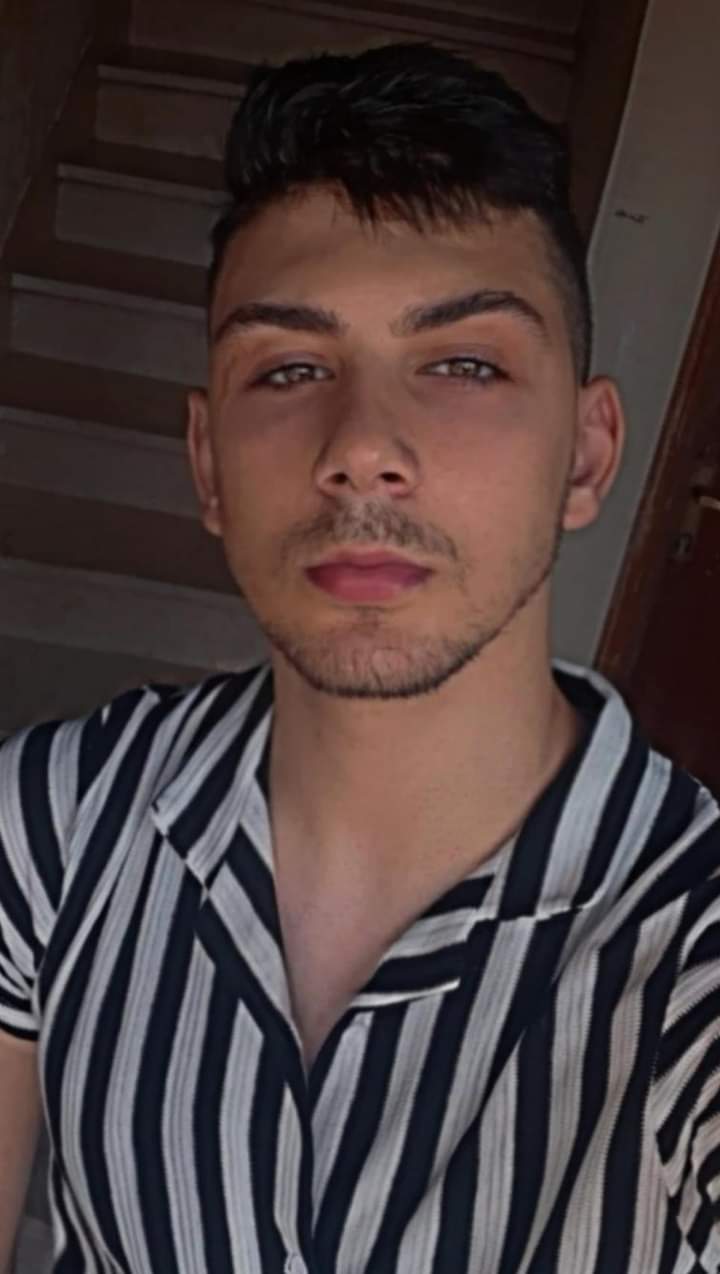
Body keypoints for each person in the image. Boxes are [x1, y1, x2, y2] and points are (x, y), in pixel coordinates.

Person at [1, 40, 719, 1274]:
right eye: (290, 368)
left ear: (588, 454)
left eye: (465, 364)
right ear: (209, 464)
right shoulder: (52, 823)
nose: (363, 448)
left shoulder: (688, 941)